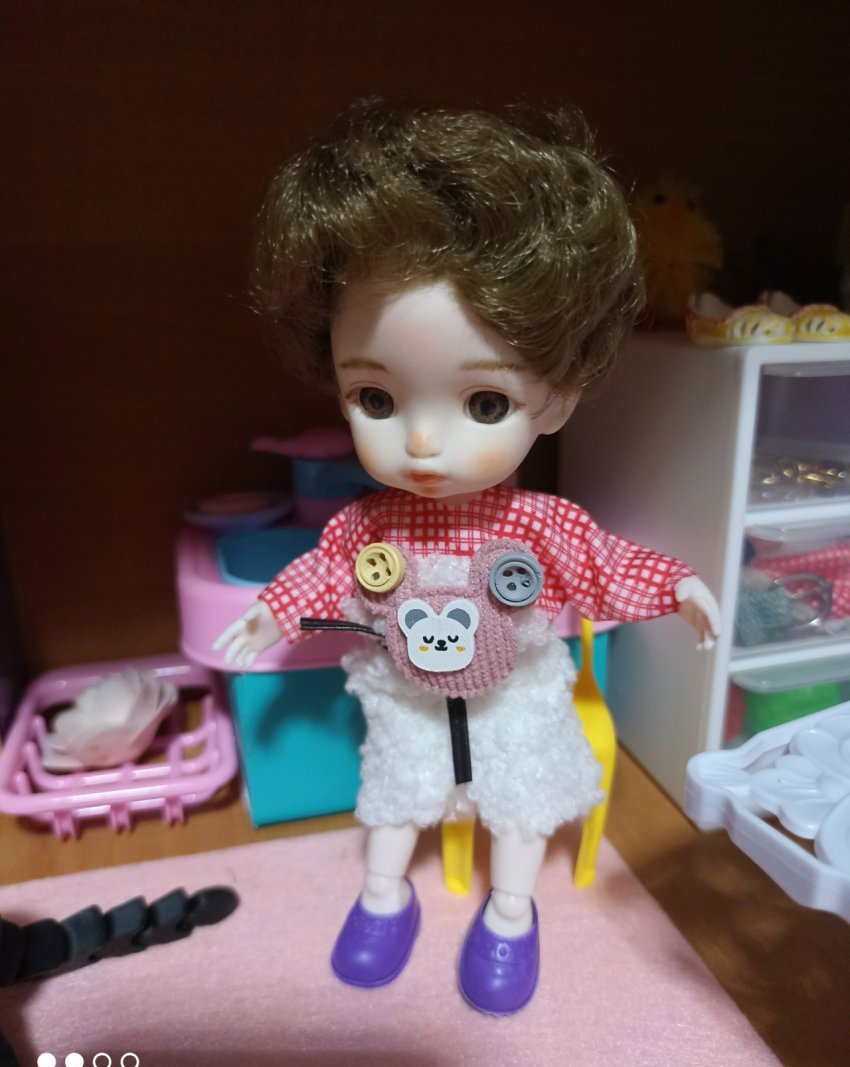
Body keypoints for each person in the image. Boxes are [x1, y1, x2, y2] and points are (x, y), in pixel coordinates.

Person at [214, 100, 720, 1016]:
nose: (422, 444)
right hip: (408, 696)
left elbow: (604, 563)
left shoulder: (540, 524)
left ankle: (513, 909)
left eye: (483, 404)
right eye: (376, 398)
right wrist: (268, 611)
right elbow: (323, 570)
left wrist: (677, 584)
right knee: (392, 791)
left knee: (521, 797)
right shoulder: (367, 525)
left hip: (513, 696)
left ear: (555, 398)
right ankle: (384, 893)